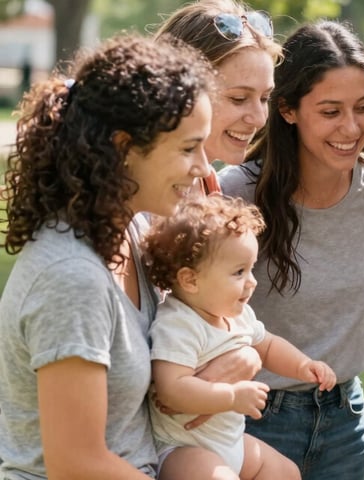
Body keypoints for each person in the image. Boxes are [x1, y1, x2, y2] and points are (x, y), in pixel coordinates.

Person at [0, 34, 214, 479]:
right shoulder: (71, 277)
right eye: (189, 148)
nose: (203, 166)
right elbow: (75, 463)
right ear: (123, 148)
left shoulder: (129, 231)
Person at [217, 19, 364, 480]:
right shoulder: (236, 193)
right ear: (287, 109)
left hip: (344, 417)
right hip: (254, 415)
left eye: (363, 107)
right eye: (330, 111)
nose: (352, 127)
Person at [142, 194, 336, 480]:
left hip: (230, 441)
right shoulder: (178, 325)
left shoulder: (236, 315)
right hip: (184, 449)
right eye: (238, 272)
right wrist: (231, 396)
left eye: (251, 268)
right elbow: (172, 390)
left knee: (286, 472)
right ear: (190, 280)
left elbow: (268, 346)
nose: (252, 281)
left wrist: (303, 365)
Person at [153, 0, 281, 195]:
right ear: (179, 90)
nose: (259, 119)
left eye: (264, 98)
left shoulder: (209, 183)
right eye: (238, 98)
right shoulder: (131, 195)